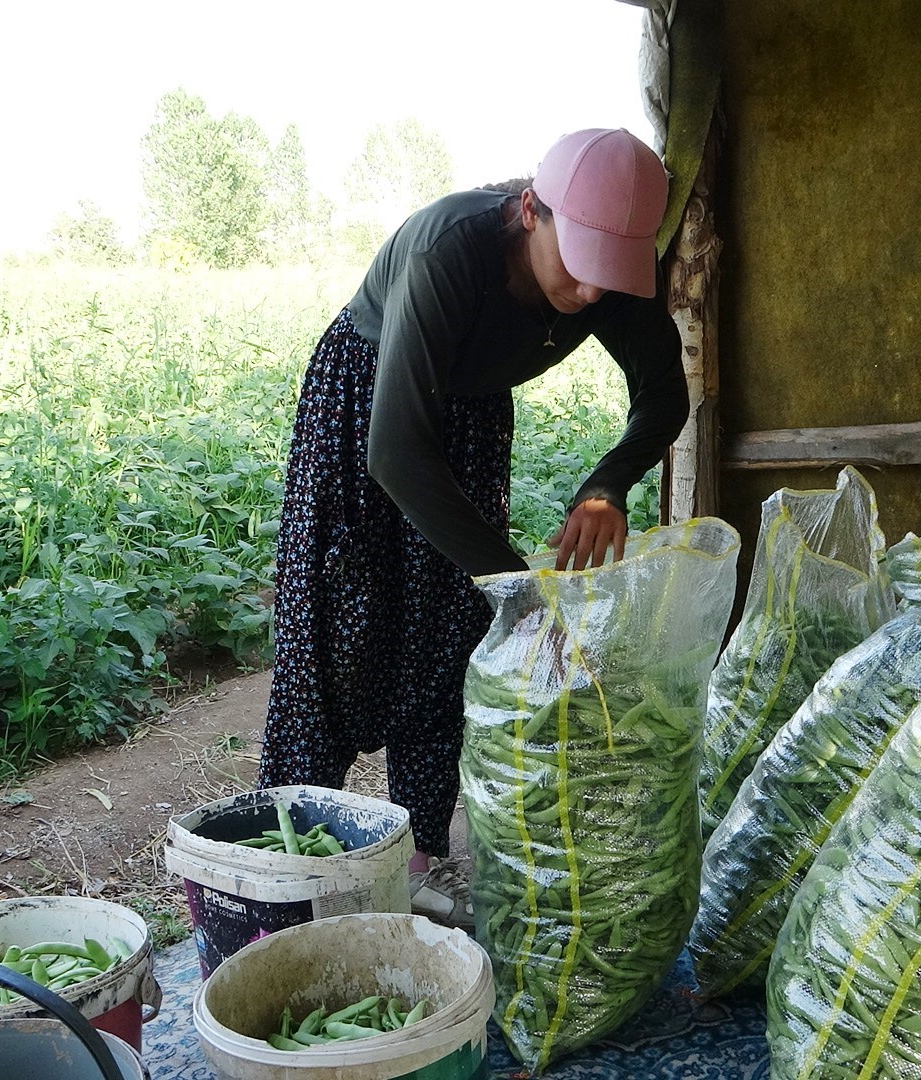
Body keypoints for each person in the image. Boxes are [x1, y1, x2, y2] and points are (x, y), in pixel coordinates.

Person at [256, 128, 688, 924]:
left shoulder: (611, 274)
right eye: (578, 262)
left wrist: (607, 484)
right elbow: (396, 451)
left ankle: (417, 857)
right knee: (336, 632)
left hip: (471, 420)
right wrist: (520, 589)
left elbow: (664, 397)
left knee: (448, 633)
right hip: (368, 406)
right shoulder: (448, 251)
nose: (591, 292)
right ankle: (285, 876)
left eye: (609, 272)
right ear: (530, 211)